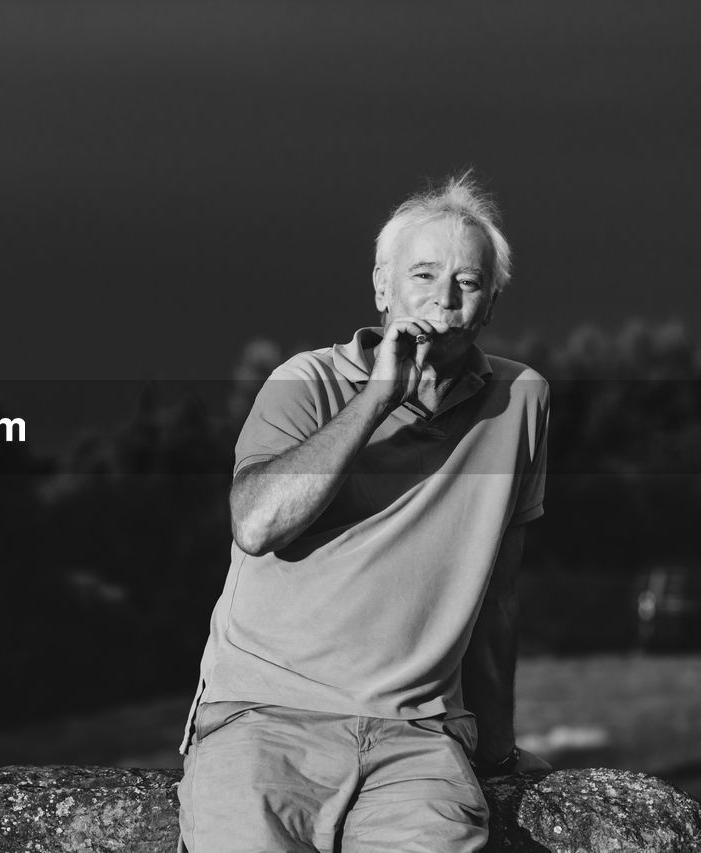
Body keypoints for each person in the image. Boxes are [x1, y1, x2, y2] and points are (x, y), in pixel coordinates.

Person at [177, 173, 551, 853]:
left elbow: (497, 598)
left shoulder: (521, 400)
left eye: (467, 281)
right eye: (424, 274)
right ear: (383, 288)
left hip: (415, 741)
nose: (444, 297)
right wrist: (377, 398)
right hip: (265, 720)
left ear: (491, 300)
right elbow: (257, 523)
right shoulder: (306, 382)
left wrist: (498, 752)